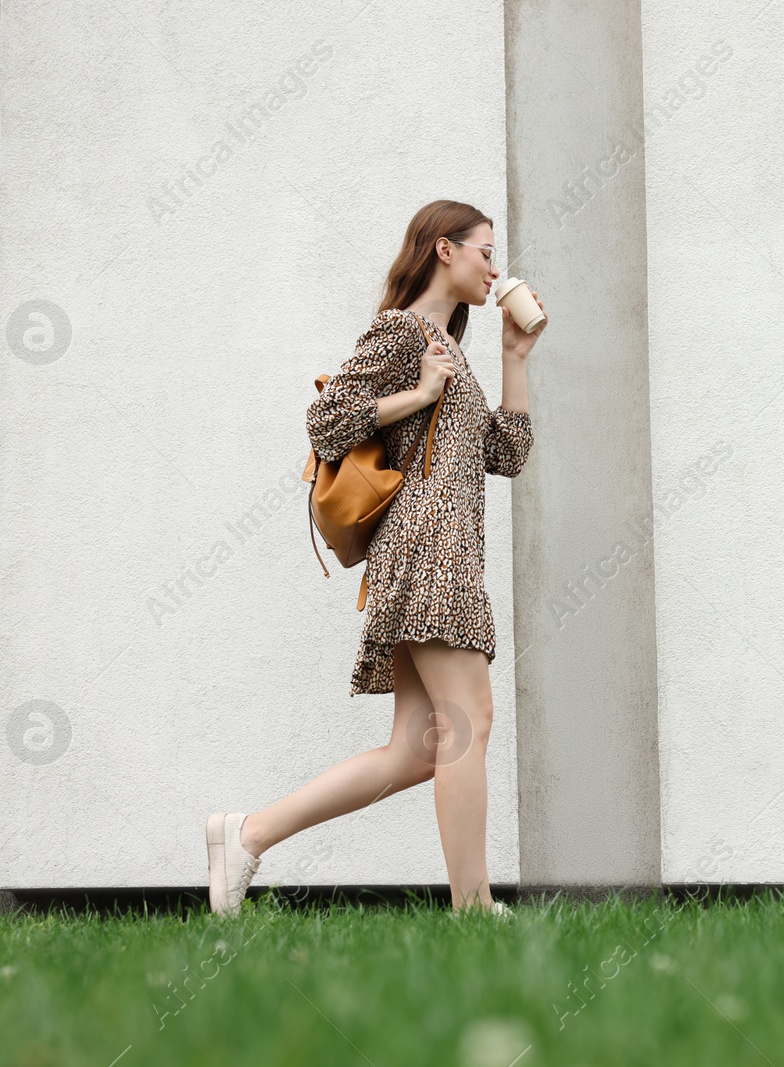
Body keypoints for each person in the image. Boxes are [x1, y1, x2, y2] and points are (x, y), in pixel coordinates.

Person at [205, 199, 545, 916]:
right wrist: (419, 392)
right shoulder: (402, 334)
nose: (495, 266)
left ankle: (248, 833)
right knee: (468, 721)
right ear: (444, 251)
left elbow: (505, 453)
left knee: (421, 748)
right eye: (485, 250)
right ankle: (474, 905)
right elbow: (326, 420)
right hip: (427, 548)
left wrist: (514, 357)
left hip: (443, 549)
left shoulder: (450, 346)